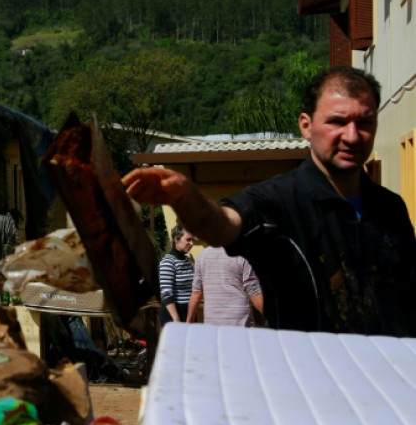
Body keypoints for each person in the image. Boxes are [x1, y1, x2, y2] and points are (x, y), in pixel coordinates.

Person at [123, 66, 416, 336]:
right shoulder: (277, 200)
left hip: (390, 381)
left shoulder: (391, 208)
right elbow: (222, 225)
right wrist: (185, 198)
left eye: (364, 122)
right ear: (306, 125)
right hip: (309, 383)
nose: (352, 136)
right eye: (337, 122)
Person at [186, 246, 263, 327]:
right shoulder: (242, 254)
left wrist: (188, 323)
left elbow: (196, 293)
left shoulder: (202, 256)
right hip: (239, 322)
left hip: (213, 322)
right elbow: (254, 293)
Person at [157, 225, 196, 327]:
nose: (192, 243)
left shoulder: (188, 261)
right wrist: (176, 320)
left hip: (189, 316)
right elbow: (166, 294)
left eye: (193, 240)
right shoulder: (168, 262)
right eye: (188, 239)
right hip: (173, 316)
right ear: (177, 239)